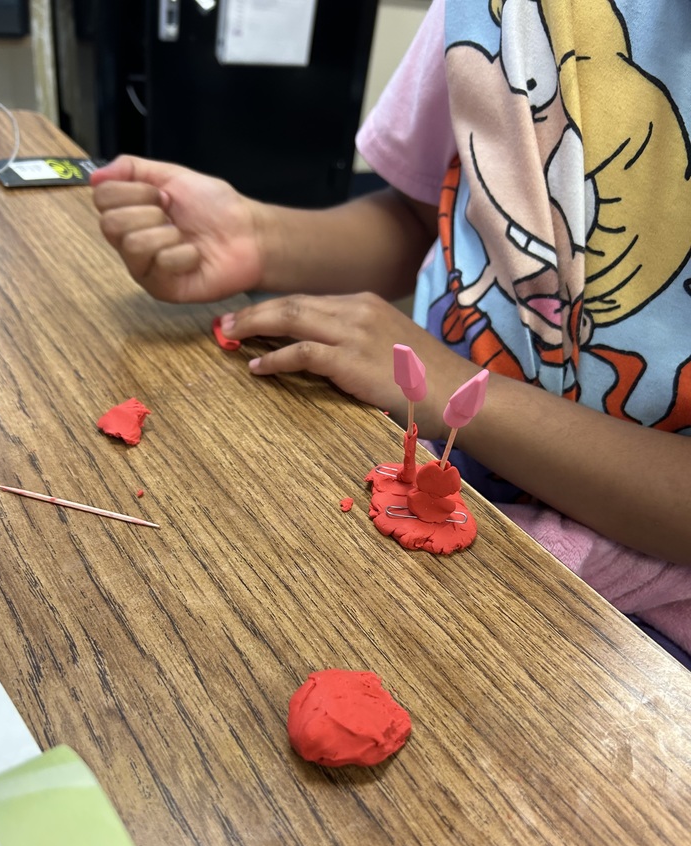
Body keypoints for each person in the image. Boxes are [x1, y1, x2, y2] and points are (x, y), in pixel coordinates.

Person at [92, 0, 691, 663]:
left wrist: (462, 388)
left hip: (647, 618)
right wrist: (260, 238)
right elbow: (420, 215)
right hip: (442, 461)